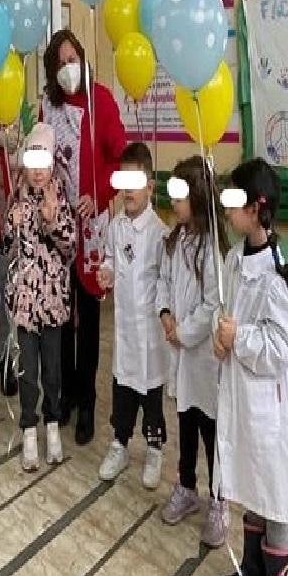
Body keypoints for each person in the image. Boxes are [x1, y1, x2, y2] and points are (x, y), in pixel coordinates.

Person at [213, 158, 288, 576]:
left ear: (257, 208)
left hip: (267, 405)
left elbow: (282, 346)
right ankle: (253, 573)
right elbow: (226, 313)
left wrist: (240, 338)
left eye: (236, 201)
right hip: (239, 396)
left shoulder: (278, 276)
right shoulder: (234, 260)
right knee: (250, 480)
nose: (228, 209)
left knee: (274, 493)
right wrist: (221, 337)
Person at [39, 28, 125, 446]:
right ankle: (66, 391)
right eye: (60, 63)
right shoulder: (48, 106)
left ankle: (87, 401)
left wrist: (100, 193)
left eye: (73, 60)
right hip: (57, 227)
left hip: (92, 227)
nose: (68, 68)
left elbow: (120, 159)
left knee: (88, 320)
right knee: (60, 315)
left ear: (84, 60)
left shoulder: (101, 100)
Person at [156, 157, 228, 549]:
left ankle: (219, 500)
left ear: (198, 197)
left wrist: (183, 333)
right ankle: (186, 486)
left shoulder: (212, 248)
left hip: (203, 357)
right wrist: (165, 314)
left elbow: (212, 303)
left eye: (180, 196)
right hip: (181, 352)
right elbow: (163, 282)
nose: (174, 203)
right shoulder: (175, 240)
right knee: (185, 420)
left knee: (209, 427)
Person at [0, 124, 77, 473]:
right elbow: (5, 248)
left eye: (42, 163)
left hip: (53, 302)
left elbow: (71, 247)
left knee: (53, 372)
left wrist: (52, 221)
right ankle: (29, 428)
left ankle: (53, 425)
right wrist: (11, 225)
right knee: (28, 371)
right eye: (31, 163)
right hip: (25, 304)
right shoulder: (17, 198)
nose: (37, 171)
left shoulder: (60, 197)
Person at [97, 143, 169, 489]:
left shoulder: (160, 233)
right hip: (125, 329)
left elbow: (165, 282)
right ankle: (120, 443)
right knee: (122, 387)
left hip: (150, 334)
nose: (127, 190)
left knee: (151, 395)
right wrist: (106, 272)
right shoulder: (115, 226)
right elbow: (110, 258)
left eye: (135, 182)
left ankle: (154, 448)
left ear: (150, 186)